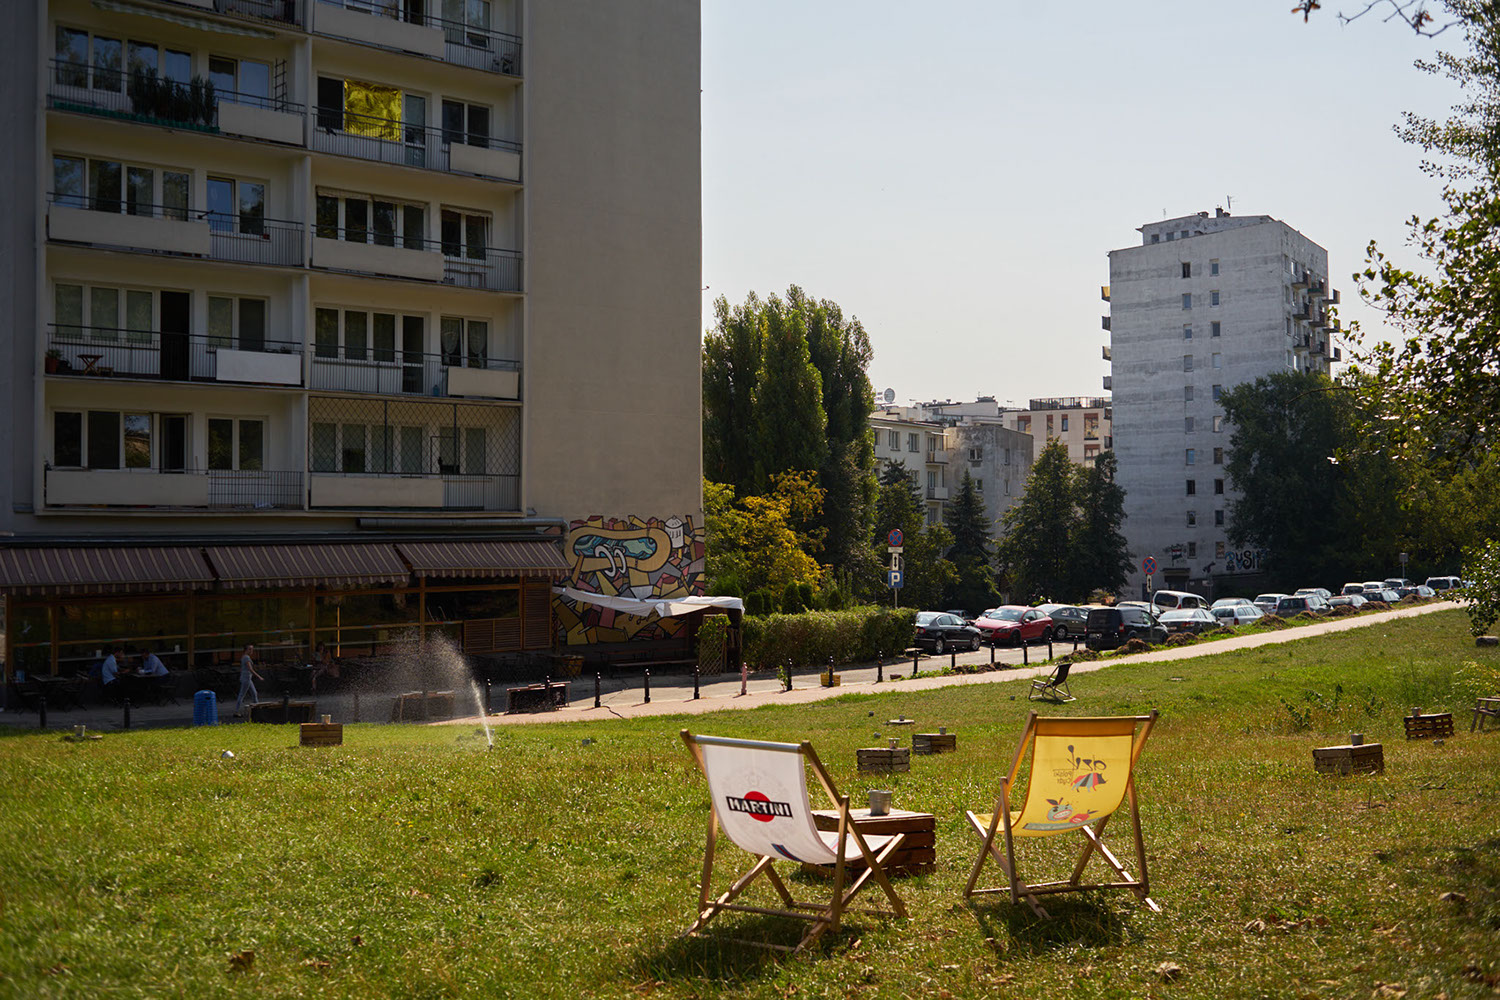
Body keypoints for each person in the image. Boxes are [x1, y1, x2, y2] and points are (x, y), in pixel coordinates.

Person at [234, 642, 263, 718]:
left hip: (247, 678)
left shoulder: (244, 657)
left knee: (254, 693)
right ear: (246, 650)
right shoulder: (246, 658)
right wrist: (258, 676)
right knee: (242, 694)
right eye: (250, 649)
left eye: (252, 649)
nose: (251, 651)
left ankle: (257, 709)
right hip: (246, 678)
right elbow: (250, 669)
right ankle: (236, 711)